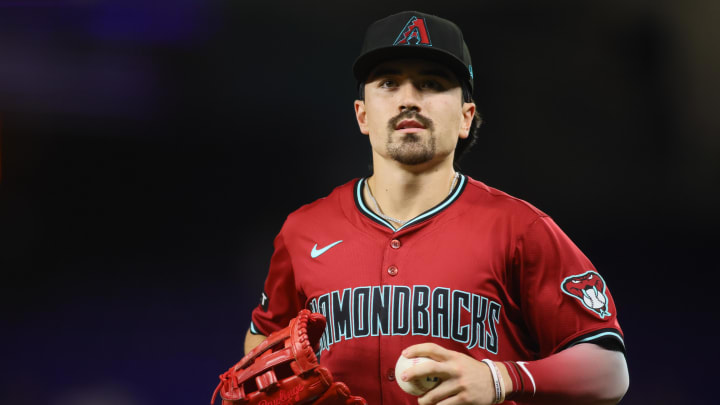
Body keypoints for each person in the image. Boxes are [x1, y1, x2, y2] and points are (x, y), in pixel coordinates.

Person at [244, 10, 629, 405]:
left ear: (466, 117)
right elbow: (262, 343)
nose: (408, 99)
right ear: (362, 114)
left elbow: (608, 371)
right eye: (389, 83)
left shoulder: (521, 229)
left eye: (431, 83)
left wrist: (500, 378)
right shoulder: (303, 230)